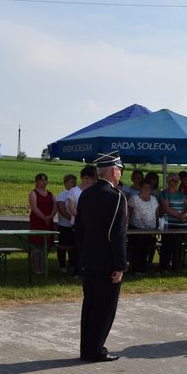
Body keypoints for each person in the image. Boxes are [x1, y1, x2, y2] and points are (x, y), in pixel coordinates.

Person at [74, 152, 127, 362]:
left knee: (90, 306)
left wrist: (84, 254)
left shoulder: (85, 194)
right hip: (107, 263)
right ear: (114, 171)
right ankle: (95, 350)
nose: (120, 174)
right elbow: (117, 235)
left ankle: (86, 349)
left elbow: (78, 230)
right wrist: (120, 265)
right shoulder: (116, 197)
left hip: (89, 260)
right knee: (104, 309)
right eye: (120, 170)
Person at [127, 180, 159, 275]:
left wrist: (157, 225)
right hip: (136, 229)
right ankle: (136, 269)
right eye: (145, 187)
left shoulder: (154, 199)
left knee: (146, 250)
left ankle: (143, 269)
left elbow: (157, 213)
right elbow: (129, 212)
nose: (147, 189)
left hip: (150, 230)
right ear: (140, 188)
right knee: (138, 250)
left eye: (149, 187)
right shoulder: (134, 198)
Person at [160, 173, 187, 273]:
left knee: (179, 248)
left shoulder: (181, 194)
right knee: (167, 247)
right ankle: (164, 268)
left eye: (176, 180)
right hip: (169, 225)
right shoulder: (164, 193)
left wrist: (186, 214)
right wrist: (179, 215)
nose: (174, 182)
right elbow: (166, 208)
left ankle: (176, 268)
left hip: (181, 225)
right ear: (168, 181)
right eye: (172, 180)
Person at [28, 173, 56, 275]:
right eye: (42, 180)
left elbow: (55, 207)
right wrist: (44, 217)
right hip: (38, 222)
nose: (44, 182)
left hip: (48, 222)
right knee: (37, 244)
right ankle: (36, 268)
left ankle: (43, 266)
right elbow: (34, 208)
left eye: (45, 180)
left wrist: (50, 216)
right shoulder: (33, 193)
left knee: (47, 244)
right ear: (37, 181)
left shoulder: (50, 194)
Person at [56, 174, 77, 274]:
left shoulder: (75, 193)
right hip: (64, 225)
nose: (74, 184)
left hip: (73, 225)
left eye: (75, 182)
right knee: (63, 246)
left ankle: (72, 265)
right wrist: (71, 217)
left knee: (73, 247)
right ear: (66, 183)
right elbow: (61, 209)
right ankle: (62, 265)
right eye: (72, 182)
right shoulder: (62, 195)